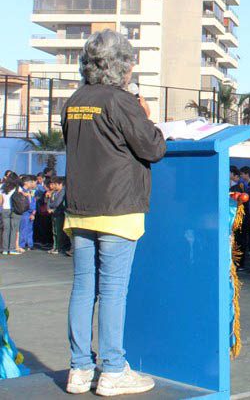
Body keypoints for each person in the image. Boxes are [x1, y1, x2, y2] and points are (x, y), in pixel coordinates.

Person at [62, 30, 166, 396]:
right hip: (118, 206)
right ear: (121, 66)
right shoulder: (122, 101)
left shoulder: (74, 100)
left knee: (83, 288)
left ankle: (79, 368)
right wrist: (147, 117)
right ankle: (112, 369)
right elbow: (152, 148)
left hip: (80, 207)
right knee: (113, 290)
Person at [47, 176, 67, 255]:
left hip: (59, 214)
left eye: (55, 184)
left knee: (59, 231)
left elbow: (58, 203)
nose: (54, 186)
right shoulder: (54, 192)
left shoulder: (63, 192)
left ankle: (59, 247)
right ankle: (54, 246)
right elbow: (49, 201)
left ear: (60, 184)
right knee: (54, 231)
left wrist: (52, 207)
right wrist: (49, 208)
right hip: (53, 214)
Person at [17, 175, 36, 251]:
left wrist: (33, 212)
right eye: (30, 182)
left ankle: (30, 244)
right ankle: (21, 244)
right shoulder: (21, 192)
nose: (31, 183)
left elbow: (33, 202)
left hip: (31, 212)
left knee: (30, 229)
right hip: (24, 212)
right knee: (23, 228)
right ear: (25, 183)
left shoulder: (31, 192)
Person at [1, 174, 19, 255]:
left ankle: (4, 249)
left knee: (6, 229)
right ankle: (12, 249)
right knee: (13, 229)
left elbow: (1, 200)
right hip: (14, 210)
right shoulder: (17, 188)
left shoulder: (2, 187)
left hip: (4, 209)